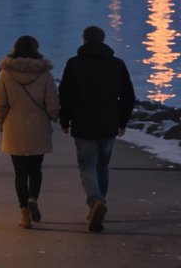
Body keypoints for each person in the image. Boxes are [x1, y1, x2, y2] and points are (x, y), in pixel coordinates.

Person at [58, 26, 137, 233]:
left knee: (87, 166)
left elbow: (65, 95)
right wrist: (122, 121)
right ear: (103, 39)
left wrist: (64, 120)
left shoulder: (74, 64)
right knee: (102, 166)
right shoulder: (116, 64)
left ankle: (95, 201)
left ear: (83, 39)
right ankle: (100, 202)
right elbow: (128, 95)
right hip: (109, 122)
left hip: (83, 122)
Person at [0, 36, 59, 229]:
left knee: (20, 172)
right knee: (36, 169)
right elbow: (53, 103)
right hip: (38, 125)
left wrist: (1, 119)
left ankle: (24, 213)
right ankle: (33, 198)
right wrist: (54, 117)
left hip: (14, 125)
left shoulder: (6, 74)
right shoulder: (44, 74)